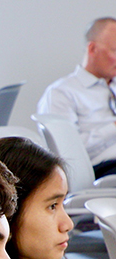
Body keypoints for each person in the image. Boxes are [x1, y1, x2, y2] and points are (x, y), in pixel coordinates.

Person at [38, 17, 116, 179]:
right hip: (101, 169)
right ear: (93, 49)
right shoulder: (62, 93)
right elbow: (66, 154)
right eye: (115, 50)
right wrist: (112, 127)